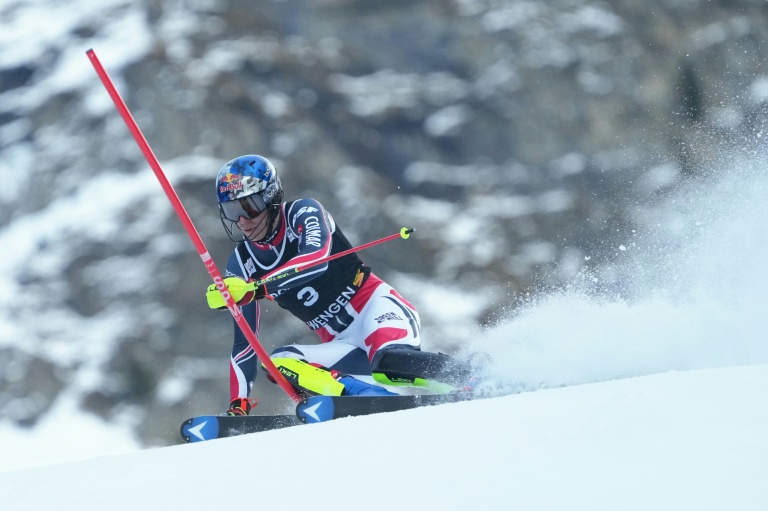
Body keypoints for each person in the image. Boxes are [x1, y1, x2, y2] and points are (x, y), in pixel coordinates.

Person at [206, 155, 473, 416]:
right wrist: (238, 403)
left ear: (271, 198)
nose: (242, 220)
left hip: (375, 309)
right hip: (342, 345)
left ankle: (472, 376)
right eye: (232, 211)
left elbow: (316, 260)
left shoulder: (304, 212)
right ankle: (365, 398)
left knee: (388, 364)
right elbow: (245, 342)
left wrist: (258, 288)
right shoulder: (242, 263)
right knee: (278, 364)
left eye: (249, 207)